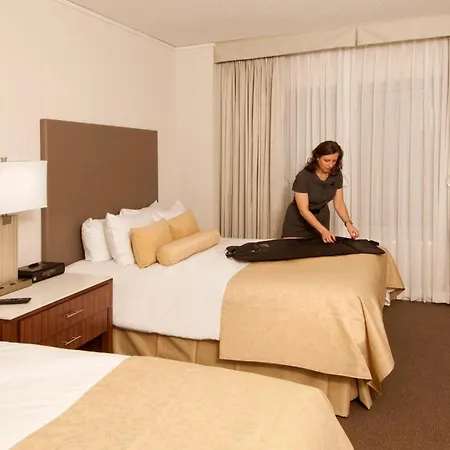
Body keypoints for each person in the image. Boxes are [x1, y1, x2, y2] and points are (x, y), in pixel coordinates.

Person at [281, 141, 360, 243]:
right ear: (317, 157)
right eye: (327, 160)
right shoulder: (303, 176)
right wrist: (323, 230)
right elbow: (303, 210)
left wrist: (348, 224)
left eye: (334, 161)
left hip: (321, 219)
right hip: (298, 222)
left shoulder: (336, 175)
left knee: (320, 252)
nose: (330, 165)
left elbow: (339, 203)